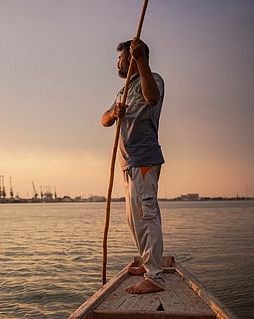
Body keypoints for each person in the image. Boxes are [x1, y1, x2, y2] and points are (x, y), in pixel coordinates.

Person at [101, 37, 165, 294]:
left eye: (121, 57)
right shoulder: (123, 90)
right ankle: (148, 262)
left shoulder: (152, 79)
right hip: (128, 164)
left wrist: (141, 59)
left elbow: (152, 98)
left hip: (144, 159)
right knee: (134, 220)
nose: (117, 61)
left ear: (131, 58)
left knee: (146, 217)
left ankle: (156, 277)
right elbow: (103, 120)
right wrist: (114, 113)